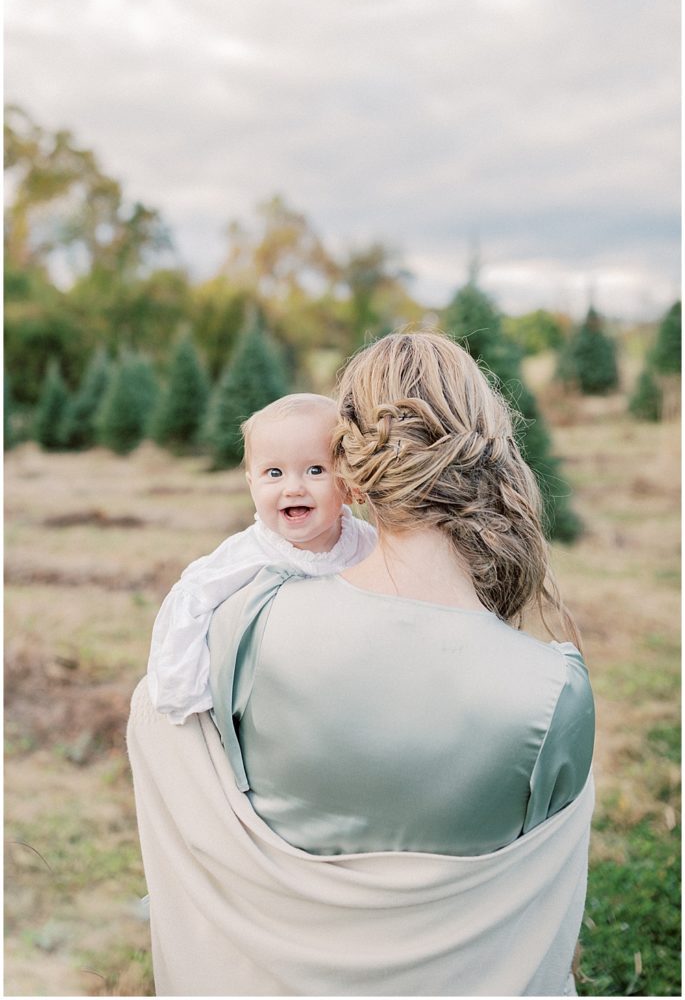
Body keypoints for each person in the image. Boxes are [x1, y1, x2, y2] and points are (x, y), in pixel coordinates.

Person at [128, 331, 595, 997]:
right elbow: (544, 919)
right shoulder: (554, 695)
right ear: (491, 452)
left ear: (352, 462)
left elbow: (163, 728)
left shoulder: (239, 627)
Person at [146, 392, 377, 724]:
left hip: (349, 690)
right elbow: (191, 598)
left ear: (346, 479)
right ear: (251, 484)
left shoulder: (365, 544)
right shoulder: (249, 553)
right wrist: (184, 691)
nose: (293, 488)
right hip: (274, 703)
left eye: (315, 470)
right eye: (274, 473)